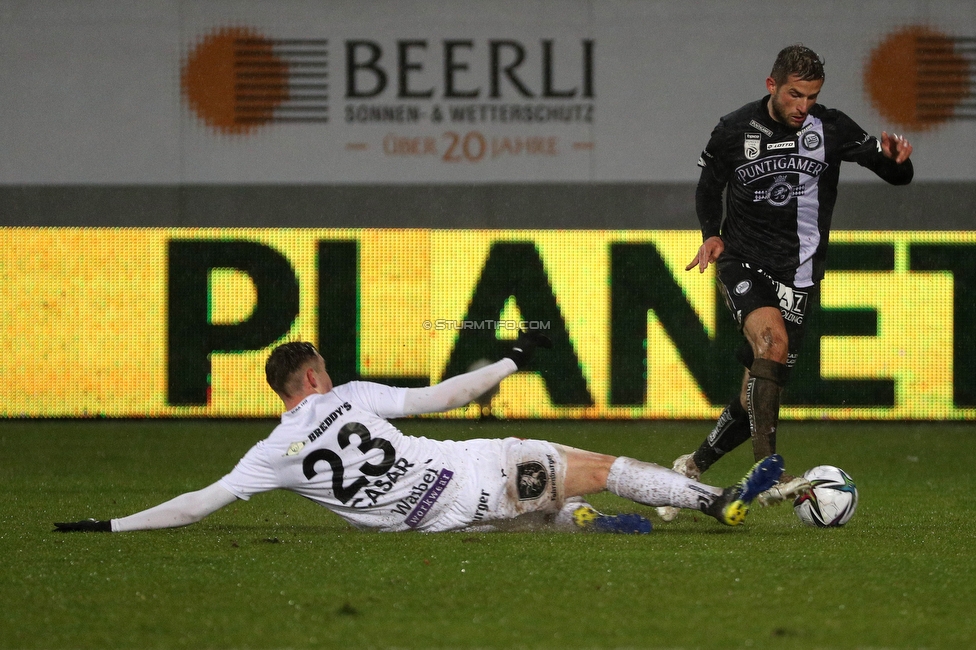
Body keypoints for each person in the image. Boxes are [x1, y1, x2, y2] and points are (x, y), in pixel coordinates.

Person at [56, 335, 784, 535]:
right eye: (325, 370)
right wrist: (512, 358)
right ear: (311, 378)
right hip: (479, 469)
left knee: (542, 519)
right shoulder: (351, 396)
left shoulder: (270, 454)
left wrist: (113, 524)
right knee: (596, 463)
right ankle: (714, 501)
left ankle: (587, 525)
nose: (330, 377)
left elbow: (195, 504)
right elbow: (450, 396)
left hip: (443, 525)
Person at [657, 44, 914, 522]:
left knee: (756, 390)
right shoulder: (734, 130)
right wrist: (711, 235)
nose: (803, 107)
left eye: (811, 98)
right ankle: (769, 474)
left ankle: (692, 467)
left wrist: (898, 162)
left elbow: (894, 172)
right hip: (743, 262)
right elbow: (709, 186)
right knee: (770, 344)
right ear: (771, 85)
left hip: (800, 277)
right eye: (795, 95)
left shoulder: (830, 127)